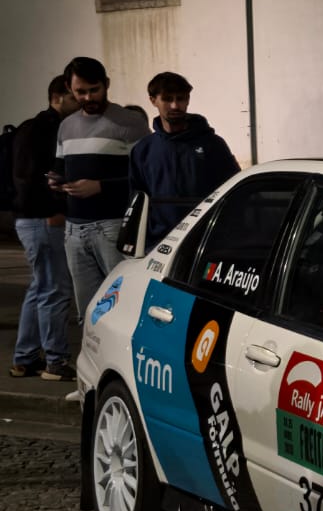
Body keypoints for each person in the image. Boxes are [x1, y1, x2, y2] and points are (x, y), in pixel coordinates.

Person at [55, 55, 149, 319]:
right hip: (74, 230)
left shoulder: (129, 123)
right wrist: (56, 182)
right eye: (80, 92)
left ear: (106, 84)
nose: (88, 97)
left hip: (113, 226)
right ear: (69, 88)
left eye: (94, 90)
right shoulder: (66, 126)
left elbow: (147, 176)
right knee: (88, 313)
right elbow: (60, 168)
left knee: (124, 306)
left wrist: (101, 187)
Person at [10, 74, 78, 380]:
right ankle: (55, 361)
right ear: (57, 97)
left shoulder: (31, 127)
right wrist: (53, 210)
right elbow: (31, 177)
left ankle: (24, 358)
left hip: (30, 218)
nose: (81, 101)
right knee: (55, 289)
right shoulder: (48, 129)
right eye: (74, 96)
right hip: (43, 219)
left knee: (41, 287)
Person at [128, 72, 239, 248]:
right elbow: (137, 201)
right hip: (157, 245)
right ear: (153, 100)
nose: (175, 105)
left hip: (205, 242)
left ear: (188, 100)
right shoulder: (143, 150)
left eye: (180, 99)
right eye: (167, 99)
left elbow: (234, 191)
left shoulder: (213, 144)